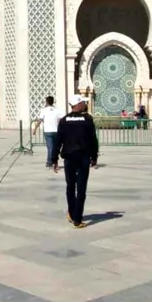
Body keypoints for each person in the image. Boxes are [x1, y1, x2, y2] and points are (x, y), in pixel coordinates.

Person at [56, 95, 98, 228]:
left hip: (68, 157)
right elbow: (93, 139)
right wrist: (94, 156)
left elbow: (58, 140)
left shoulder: (64, 120)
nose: (85, 104)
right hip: (82, 158)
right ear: (78, 105)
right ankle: (77, 219)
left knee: (70, 186)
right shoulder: (87, 119)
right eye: (83, 103)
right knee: (81, 189)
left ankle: (71, 212)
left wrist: (54, 158)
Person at [33, 95, 63, 171]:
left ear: (46, 102)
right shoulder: (57, 111)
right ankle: (54, 162)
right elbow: (61, 120)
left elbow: (40, 120)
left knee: (50, 147)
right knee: (55, 148)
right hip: (56, 131)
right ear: (53, 102)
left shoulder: (44, 111)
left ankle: (49, 162)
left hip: (48, 131)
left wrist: (35, 129)